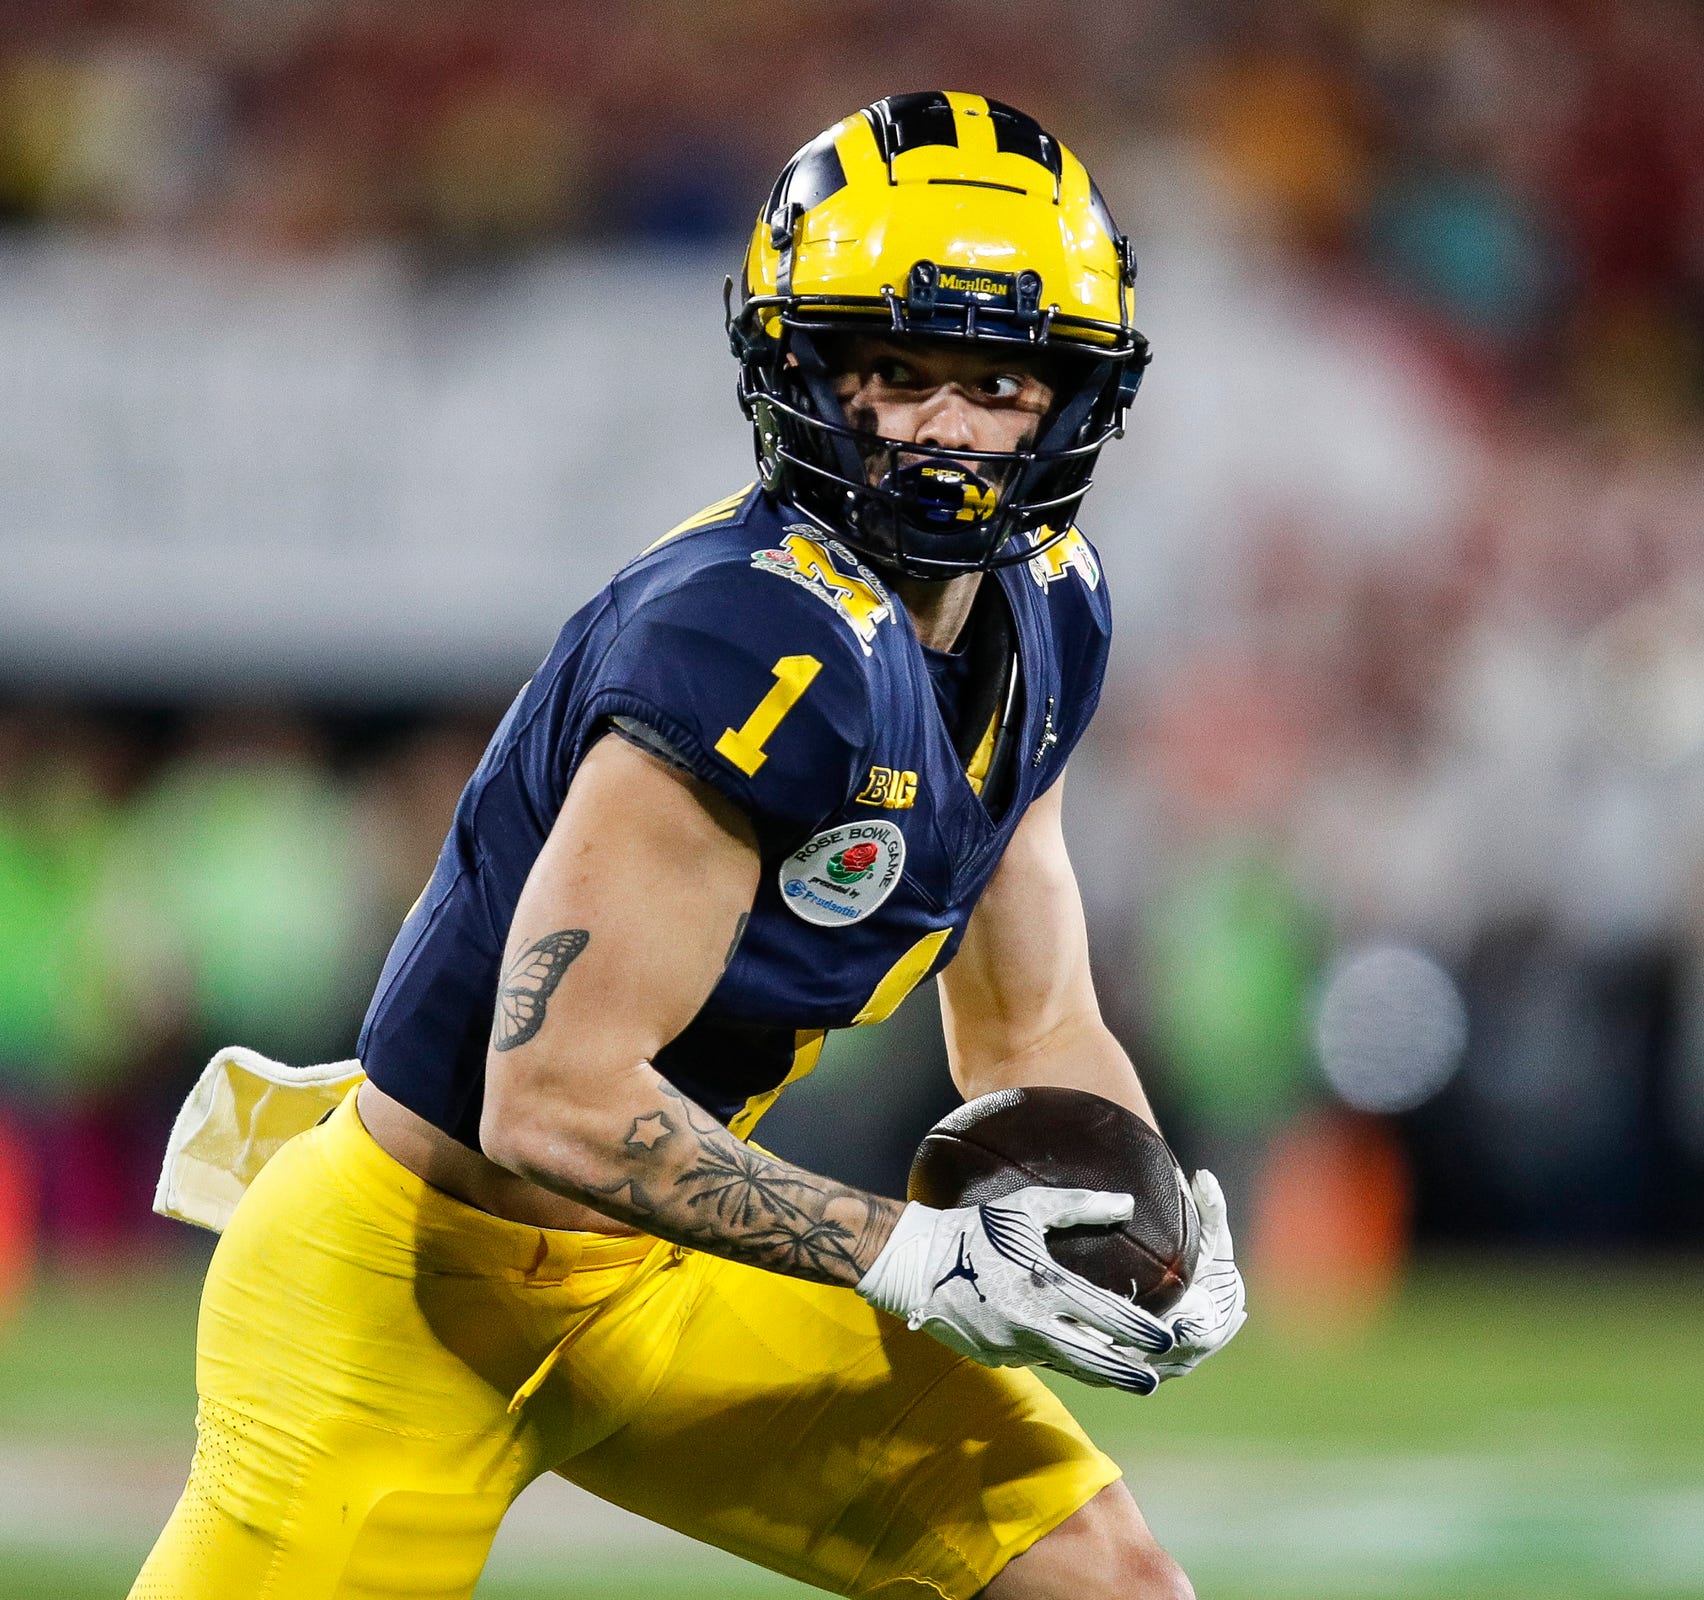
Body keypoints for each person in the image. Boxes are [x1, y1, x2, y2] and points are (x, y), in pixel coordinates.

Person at [131, 92, 1247, 1600]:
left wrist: (1147, 1223)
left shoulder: (1046, 607)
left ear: (1071, 399)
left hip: (669, 1272)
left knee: (1111, 1588)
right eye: (894, 372)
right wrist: (910, 1256)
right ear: (804, 374)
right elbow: (554, 1100)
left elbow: (1032, 1022)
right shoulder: (745, 643)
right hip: (406, 1294)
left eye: (995, 382)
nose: (943, 429)